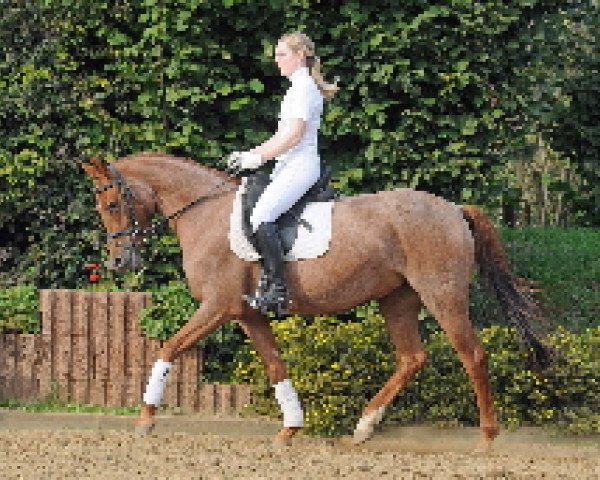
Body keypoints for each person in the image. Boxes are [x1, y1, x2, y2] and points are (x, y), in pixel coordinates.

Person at [228, 31, 339, 315]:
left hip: (300, 166)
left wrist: (259, 156)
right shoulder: (295, 88)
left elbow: (294, 135)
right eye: (276, 55)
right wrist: (250, 154)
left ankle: (277, 289)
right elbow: (281, 136)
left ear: (300, 55)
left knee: (261, 216)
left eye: (282, 54)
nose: (276, 61)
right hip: (288, 166)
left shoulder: (303, 89)